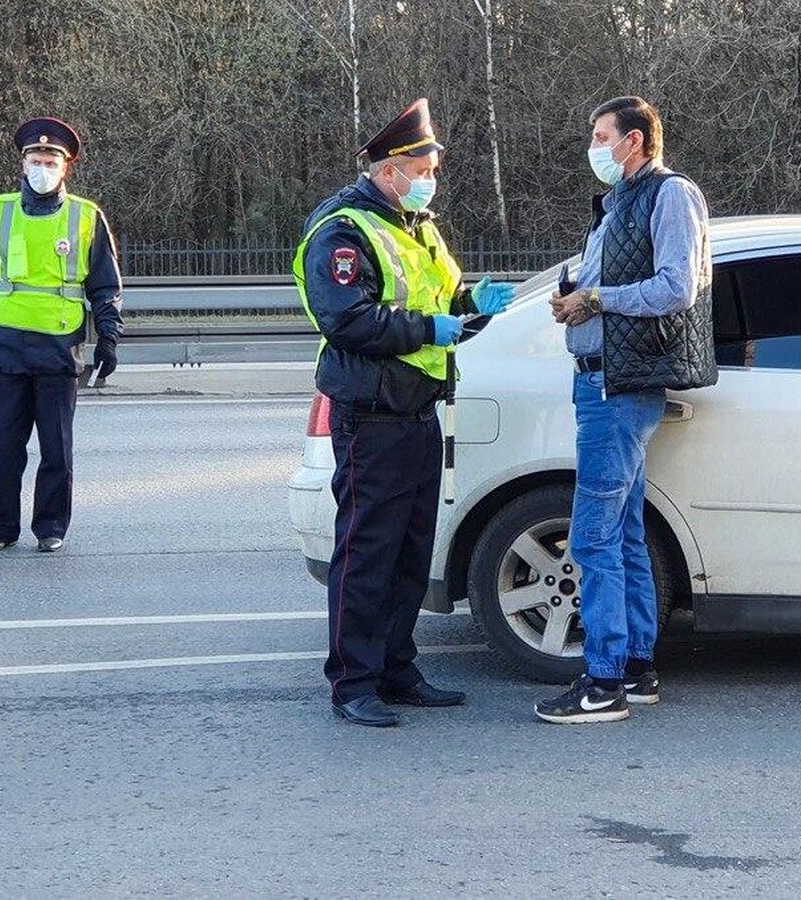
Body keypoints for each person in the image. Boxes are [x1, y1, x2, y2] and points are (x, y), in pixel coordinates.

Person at [293, 98, 516, 728]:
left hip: (417, 411)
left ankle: (396, 667)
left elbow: (438, 297)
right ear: (390, 169)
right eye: (422, 165)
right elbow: (348, 318)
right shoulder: (343, 231)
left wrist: (474, 302)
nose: (430, 176)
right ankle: (353, 682)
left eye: (432, 166)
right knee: (367, 552)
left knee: (411, 552)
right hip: (371, 413)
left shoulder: (416, 224)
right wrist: (433, 328)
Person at [535, 96, 717, 724]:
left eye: (601, 135)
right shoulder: (620, 203)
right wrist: (573, 297)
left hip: (621, 386)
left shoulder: (671, 195)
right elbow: (602, 283)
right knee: (625, 532)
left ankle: (603, 681)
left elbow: (677, 286)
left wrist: (597, 299)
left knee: (593, 535)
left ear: (635, 141)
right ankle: (636, 669)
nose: (594, 146)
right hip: (603, 380)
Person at [0, 117, 122, 554]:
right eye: (36, 158)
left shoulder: (86, 216)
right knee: (4, 448)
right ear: (23, 162)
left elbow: (105, 285)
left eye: (51, 160)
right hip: (6, 345)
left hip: (59, 347)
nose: (42, 166)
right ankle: (2, 528)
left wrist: (108, 335)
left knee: (56, 449)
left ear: (65, 166)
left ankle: (50, 526)